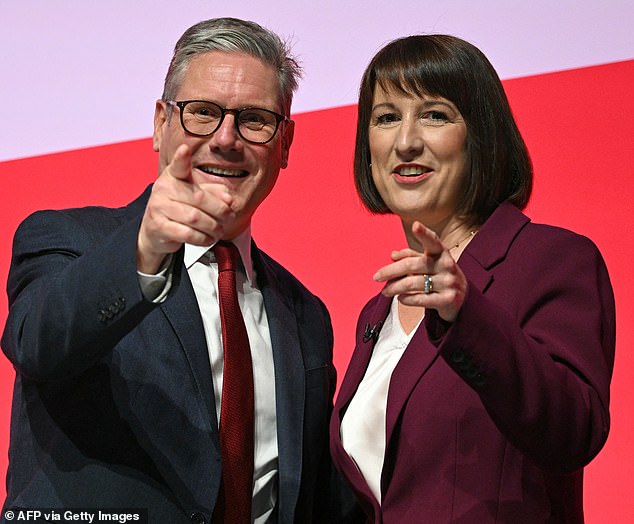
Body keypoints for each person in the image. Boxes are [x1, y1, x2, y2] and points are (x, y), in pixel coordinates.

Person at [1, 17, 358, 524]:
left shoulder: (305, 316)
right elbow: (37, 343)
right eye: (202, 113)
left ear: (285, 144)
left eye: (255, 119)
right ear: (160, 124)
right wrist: (144, 250)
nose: (226, 138)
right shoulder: (68, 242)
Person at [329, 34, 615, 523]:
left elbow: (572, 431)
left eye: (435, 115)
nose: (406, 141)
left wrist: (467, 313)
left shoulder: (552, 260)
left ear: (480, 135)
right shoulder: (378, 311)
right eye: (386, 117)